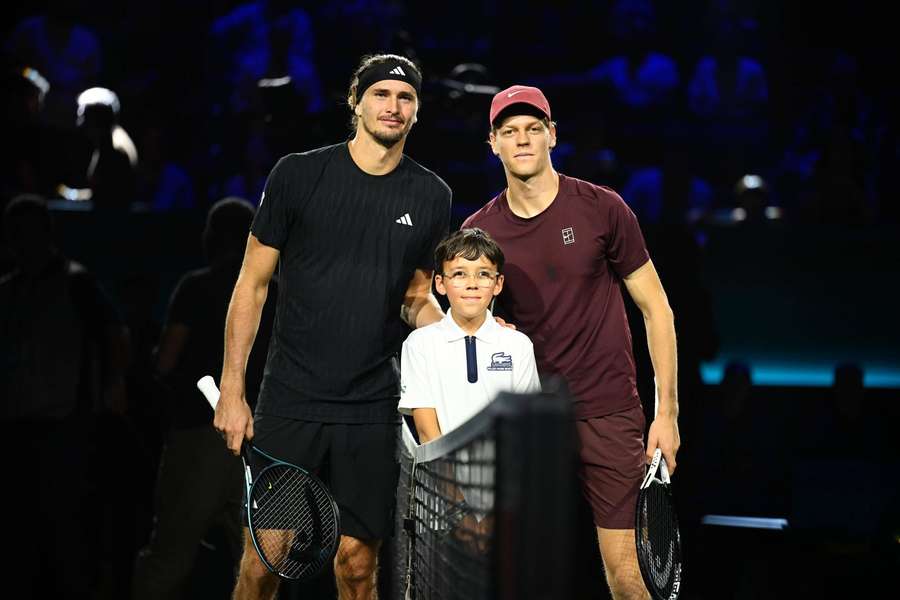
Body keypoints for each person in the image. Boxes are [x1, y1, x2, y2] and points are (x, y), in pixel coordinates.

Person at [214, 54, 451, 600]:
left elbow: (416, 298)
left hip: (372, 405)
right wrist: (232, 387)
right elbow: (252, 284)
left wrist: (461, 337)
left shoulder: (431, 195)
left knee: (358, 566)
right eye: (381, 94)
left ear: (417, 112)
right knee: (264, 561)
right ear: (355, 102)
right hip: (290, 398)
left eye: (406, 98)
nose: (393, 106)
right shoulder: (297, 175)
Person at [462, 85, 680, 600]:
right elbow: (468, 331)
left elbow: (657, 309)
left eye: (533, 129)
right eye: (509, 131)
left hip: (609, 413)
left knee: (630, 580)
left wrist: (666, 414)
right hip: (530, 425)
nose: (522, 140)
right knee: (519, 581)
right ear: (493, 143)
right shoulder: (479, 232)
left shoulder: (603, 209)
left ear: (552, 136)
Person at [132, 197, 276, 599]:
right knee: (257, 570)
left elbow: (166, 360)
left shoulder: (196, 286)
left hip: (200, 439)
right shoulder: (277, 291)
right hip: (262, 444)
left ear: (212, 237)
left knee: (168, 558)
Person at [398, 227, 541, 442]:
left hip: (507, 462)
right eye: (459, 274)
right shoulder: (419, 344)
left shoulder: (518, 345)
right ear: (440, 283)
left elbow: (526, 420)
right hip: (442, 463)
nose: (472, 284)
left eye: (483, 274)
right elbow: (426, 430)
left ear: (498, 283)